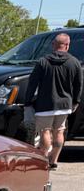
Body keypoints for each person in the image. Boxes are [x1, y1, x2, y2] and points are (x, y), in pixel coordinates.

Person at [25, 31, 83, 170]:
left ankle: (44, 159)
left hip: (45, 103)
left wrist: (28, 101)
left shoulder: (43, 62)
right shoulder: (74, 62)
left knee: (45, 131)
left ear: (53, 45)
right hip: (65, 104)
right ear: (67, 45)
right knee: (59, 132)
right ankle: (54, 160)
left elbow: (32, 83)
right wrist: (76, 101)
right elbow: (78, 84)